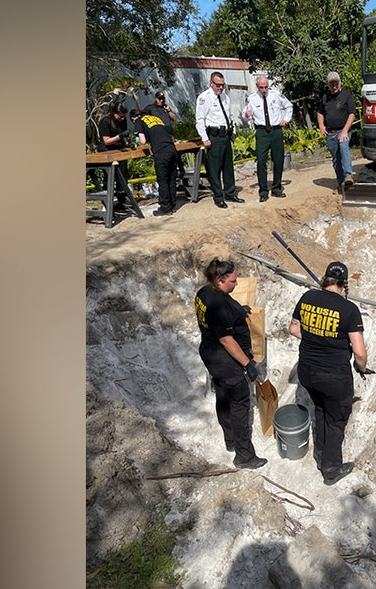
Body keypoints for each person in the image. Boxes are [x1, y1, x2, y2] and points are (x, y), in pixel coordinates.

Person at [289, 260, 368, 485]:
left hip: (307, 371)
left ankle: (321, 454)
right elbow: (360, 353)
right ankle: (331, 469)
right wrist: (360, 368)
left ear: (325, 279)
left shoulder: (307, 298)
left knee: (322, 410)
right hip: (334, 376)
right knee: (335, 420)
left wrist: (316, 340)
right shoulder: (348, 310)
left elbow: (294, 328)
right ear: (344, 284)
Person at [194, 258, 267, 470]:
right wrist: (248, 364)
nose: (236, 284)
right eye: (233, 281)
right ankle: (244, 456)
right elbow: (227, 339)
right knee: (239, 406)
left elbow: (221, 317)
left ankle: (230, 440)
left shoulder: (204, 293)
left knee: (223, 398)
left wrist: (238, 312)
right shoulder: (219, 305)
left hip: (211, 356)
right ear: (219, 280)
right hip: (228, 362)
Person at [195, 71, 243, 208]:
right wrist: (205, 138)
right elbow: (199, 120)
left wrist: (233, 131)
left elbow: (230, 116)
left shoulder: (225, 97)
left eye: (222, 85)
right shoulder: (204, 98)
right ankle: (218, 196)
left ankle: (230, 193)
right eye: (218, 85)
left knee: (228, 167)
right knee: (215, 169)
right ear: (211, 83)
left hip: (225, 136)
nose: (220, 88)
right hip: (213, 137)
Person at [243, 76, 293, 202]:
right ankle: (263, 191)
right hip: (261, 132)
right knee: (261, 161)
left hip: (276, 131)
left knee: (278, 159)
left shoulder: (276, 95)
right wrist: (246, 115)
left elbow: (289, 106)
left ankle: (276, 188)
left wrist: (286, 119)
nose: (264, 90)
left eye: (266, 87)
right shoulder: (252, 99)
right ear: (257, 87)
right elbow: (244, 115)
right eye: (261, 87)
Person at [134, 90, 179, 217]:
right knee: (171, 178)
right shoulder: (157, 119)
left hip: (161, 152)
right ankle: (172, 205)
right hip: (172, 149)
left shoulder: (139, 121)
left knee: (162, 179)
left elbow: (142, 141)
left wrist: (139, 140)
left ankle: (165, 208)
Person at [315, 71, 357, 193]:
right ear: (328, 85)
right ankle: (341, 183)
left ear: (340, 83)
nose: (334, 86)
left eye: (336, 83)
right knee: (336, 159)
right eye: (332, 84)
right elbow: (320, 112)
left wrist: (344, 131)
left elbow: (352, 114)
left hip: (343, 131)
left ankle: (348, 175)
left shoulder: (346, 95)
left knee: (344, 147)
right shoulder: (325, 98)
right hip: (330, 133)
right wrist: (321, 125)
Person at [94, 102, 136, 212]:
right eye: (120, 116)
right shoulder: (105, 121)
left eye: (124, 116)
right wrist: (119, 136)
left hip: (119, 148)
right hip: (107, 150)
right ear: (114, 113)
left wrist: (127, 142)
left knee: (123, 175)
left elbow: (123, 136)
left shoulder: (122, 121)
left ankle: (122, 200)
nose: (122, 118)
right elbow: (106, 141)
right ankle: (107, 202)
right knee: (110, 177)